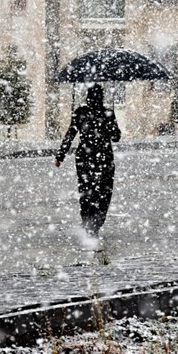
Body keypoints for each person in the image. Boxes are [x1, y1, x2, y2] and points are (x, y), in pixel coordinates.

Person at [55, 84, 121, 239]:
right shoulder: (107, 113)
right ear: (102, 97)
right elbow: (116, 136)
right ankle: (95, 224)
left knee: (86, 192)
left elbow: (70, 133)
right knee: (103, 193)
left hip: (84, 158)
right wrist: (110, 121)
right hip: (104, 158)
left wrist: (60, 155)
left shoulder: (80, 112)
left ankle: (88, 223)